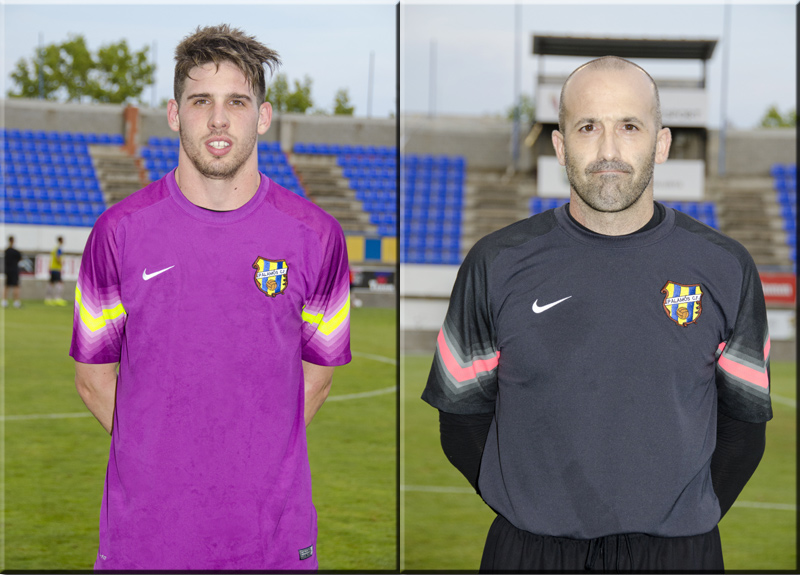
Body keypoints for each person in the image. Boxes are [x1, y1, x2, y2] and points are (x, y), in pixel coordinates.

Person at [422, 56, 771, 572]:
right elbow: (461, 420)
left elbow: (743, 430)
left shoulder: (725, 266)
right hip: (530, 551)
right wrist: (531, 510)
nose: (609, 149)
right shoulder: (496, 263)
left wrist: (676, 523)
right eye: (588, 127)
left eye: (630, 126)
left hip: (679, 554)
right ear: (561, 147)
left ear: (662, 143)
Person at [69, 24, 351, 570]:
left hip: (271, 534)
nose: (219, 119)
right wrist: (165, 452)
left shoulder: (317, 237)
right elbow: (92, 377)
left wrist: (248, 457)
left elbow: (317, 374)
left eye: (237, 102)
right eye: (201, 101)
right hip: (146, 536)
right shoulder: (117, 231)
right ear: (175, 114)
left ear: (263, 116)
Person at [45, 236, 66, 306]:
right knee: (60, 283)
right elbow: (58, 258)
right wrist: (61, 263)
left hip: (52, 268)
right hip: (56, 268)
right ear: (61, 241)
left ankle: (48, 299)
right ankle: (57, 298)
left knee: (51, 283)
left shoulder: (54, 248)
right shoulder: (59, 249)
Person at [3, 235, 23, 308]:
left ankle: (4, 302)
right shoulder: (16, 252)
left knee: (7, 286)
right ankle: (16, 302)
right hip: (14, 270)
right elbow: (20, 259)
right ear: (13, 241)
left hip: (7, 270)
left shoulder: (6, 251)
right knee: (16, 286)